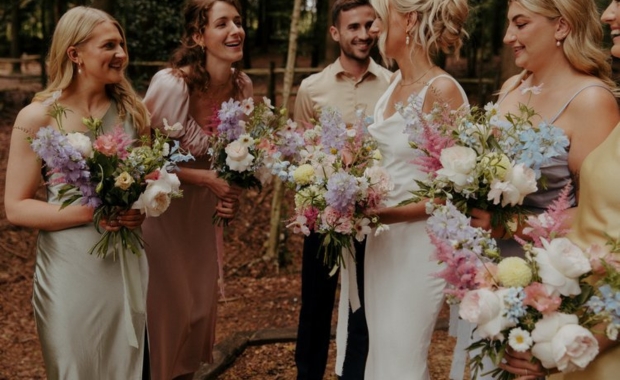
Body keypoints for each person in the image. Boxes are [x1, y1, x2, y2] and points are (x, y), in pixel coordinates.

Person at [449, 0, 620, 378]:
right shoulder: (513, 86)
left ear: (560, 27)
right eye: (509, 24)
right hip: (486, 274)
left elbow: (598, 215)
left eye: (521, 24)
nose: (508, 36)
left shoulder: (592, 101)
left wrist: (508, 223)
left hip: (543, 287)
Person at [4, 6, 151, 379]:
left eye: (122, 44)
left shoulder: (134, 112)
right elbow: (16, 209)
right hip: (69, 270)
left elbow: (142, 186)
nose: (121, 53)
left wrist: (139, 209)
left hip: (123, 263)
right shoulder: (37, 118)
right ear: (75, 54)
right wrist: (92, 214)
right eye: (108, 45)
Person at [140, 0, 251, 379]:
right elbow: (141, 158)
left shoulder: (242, 86)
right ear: (196, 36)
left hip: (202, 218)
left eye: (238, 22)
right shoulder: (171, 84)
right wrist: (202, 179)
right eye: (222, 24)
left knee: (198, 309)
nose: (235, 30)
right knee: (168, 308)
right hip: (162, 211)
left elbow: (239, 156)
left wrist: (230, 194)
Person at [362, 0, 469, 378]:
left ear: (408, 20)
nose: (372, 29)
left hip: (419, 246)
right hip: (382, 242)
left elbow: (453, 193)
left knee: (402, 358)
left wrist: (382, 213)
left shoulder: (442, 90)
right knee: (383, 353)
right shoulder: (392, 83)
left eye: (378, 18)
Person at [293, 1, 392, 378]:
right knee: (315, 307)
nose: (363, 34)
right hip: (324, 219)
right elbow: (302, 157)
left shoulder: (390, 85)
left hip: (374, 218)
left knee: (366, 310)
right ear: (335, 33)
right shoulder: (311, 88)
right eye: (353, 27)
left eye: (370, 25)